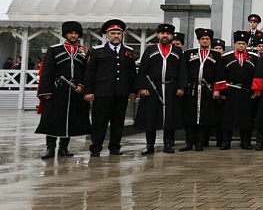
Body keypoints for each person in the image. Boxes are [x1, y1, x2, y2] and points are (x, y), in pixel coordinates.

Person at [35, 21, 90, 159]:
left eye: (76, 33)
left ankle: (63, 148)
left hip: (75, 91)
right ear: (65, 34)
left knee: (71, 119)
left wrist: (82, 85)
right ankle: (50, 148)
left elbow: (87, 71)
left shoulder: (84, 51)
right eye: (71, 33)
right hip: (57, 90)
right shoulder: (54, 49)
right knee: (53, 119)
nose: (73, 35)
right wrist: (46, 91)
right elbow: (47, 71)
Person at [84, 19, 136, 157]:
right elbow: (89, 73)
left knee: (118, 122)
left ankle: (115, 147)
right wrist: (89, 91)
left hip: (121, 93)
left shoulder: (128, 52)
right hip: (102, 93)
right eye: (113, 33)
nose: (116, 36)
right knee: (99, 122)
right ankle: (96, 147)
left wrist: (132, 90)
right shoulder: (97, 51)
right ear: (107, 35)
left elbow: (132, 73)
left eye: (119, 33)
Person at [135, 24, 187, 155]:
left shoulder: (177, 51)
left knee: (169, 117)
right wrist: (142, 87)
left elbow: (182, 70)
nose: (165, 36)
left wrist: (181, 87)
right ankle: (150, 145)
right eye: (162, 33)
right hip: (153, 87)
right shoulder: (150, 50)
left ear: (171, 36)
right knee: (150, 117)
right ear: (158, 35)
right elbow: (142, 70)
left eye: (168, 34)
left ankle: (168, 144)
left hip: (171, 87)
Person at [180, 28, 223, 152]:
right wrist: (183, 86)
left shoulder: (216, 55)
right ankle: (189, 142)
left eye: (207, 39)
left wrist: (217, 89)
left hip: (207, 89)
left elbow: (219, 73)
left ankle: (200, 142)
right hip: (192, 89)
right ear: (198, 40)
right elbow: (183, 71)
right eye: (203, 39)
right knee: (190, 115)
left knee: (204, 116)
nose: (205, 41)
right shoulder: (189, 53)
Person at [218, 31, 257, 150]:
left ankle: (245, 141)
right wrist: (222, 91)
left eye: (243, 43)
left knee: (246, 117)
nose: (241, 46)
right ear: (235, 44)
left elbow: (257, 75)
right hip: (230, 91)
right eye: (239, 43)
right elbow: (221, 75)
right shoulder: (226, 57)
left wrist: (254, 90)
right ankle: (226, 141)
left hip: (246, 91)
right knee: (228, 117)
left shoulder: (254, 58)